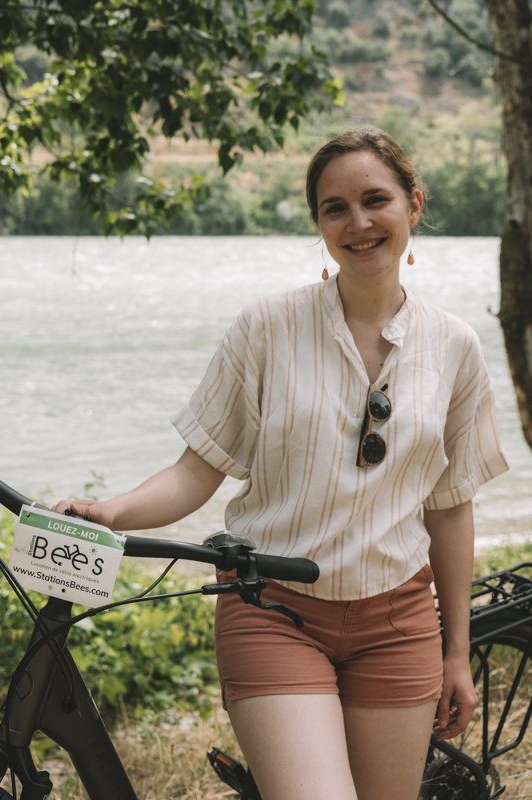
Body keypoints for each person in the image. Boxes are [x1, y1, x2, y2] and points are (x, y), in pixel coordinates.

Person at [53, 128, 509, 800]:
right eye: (334, 208)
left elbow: (448, 507)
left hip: (398, 623)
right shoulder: (265, 328)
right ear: (318, 224)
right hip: (271, 610)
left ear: (412, 205)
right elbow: (197, 469)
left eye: (374, 200)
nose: (357, 223)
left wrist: (455, 652)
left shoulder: (454, 347)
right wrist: (109, 511)